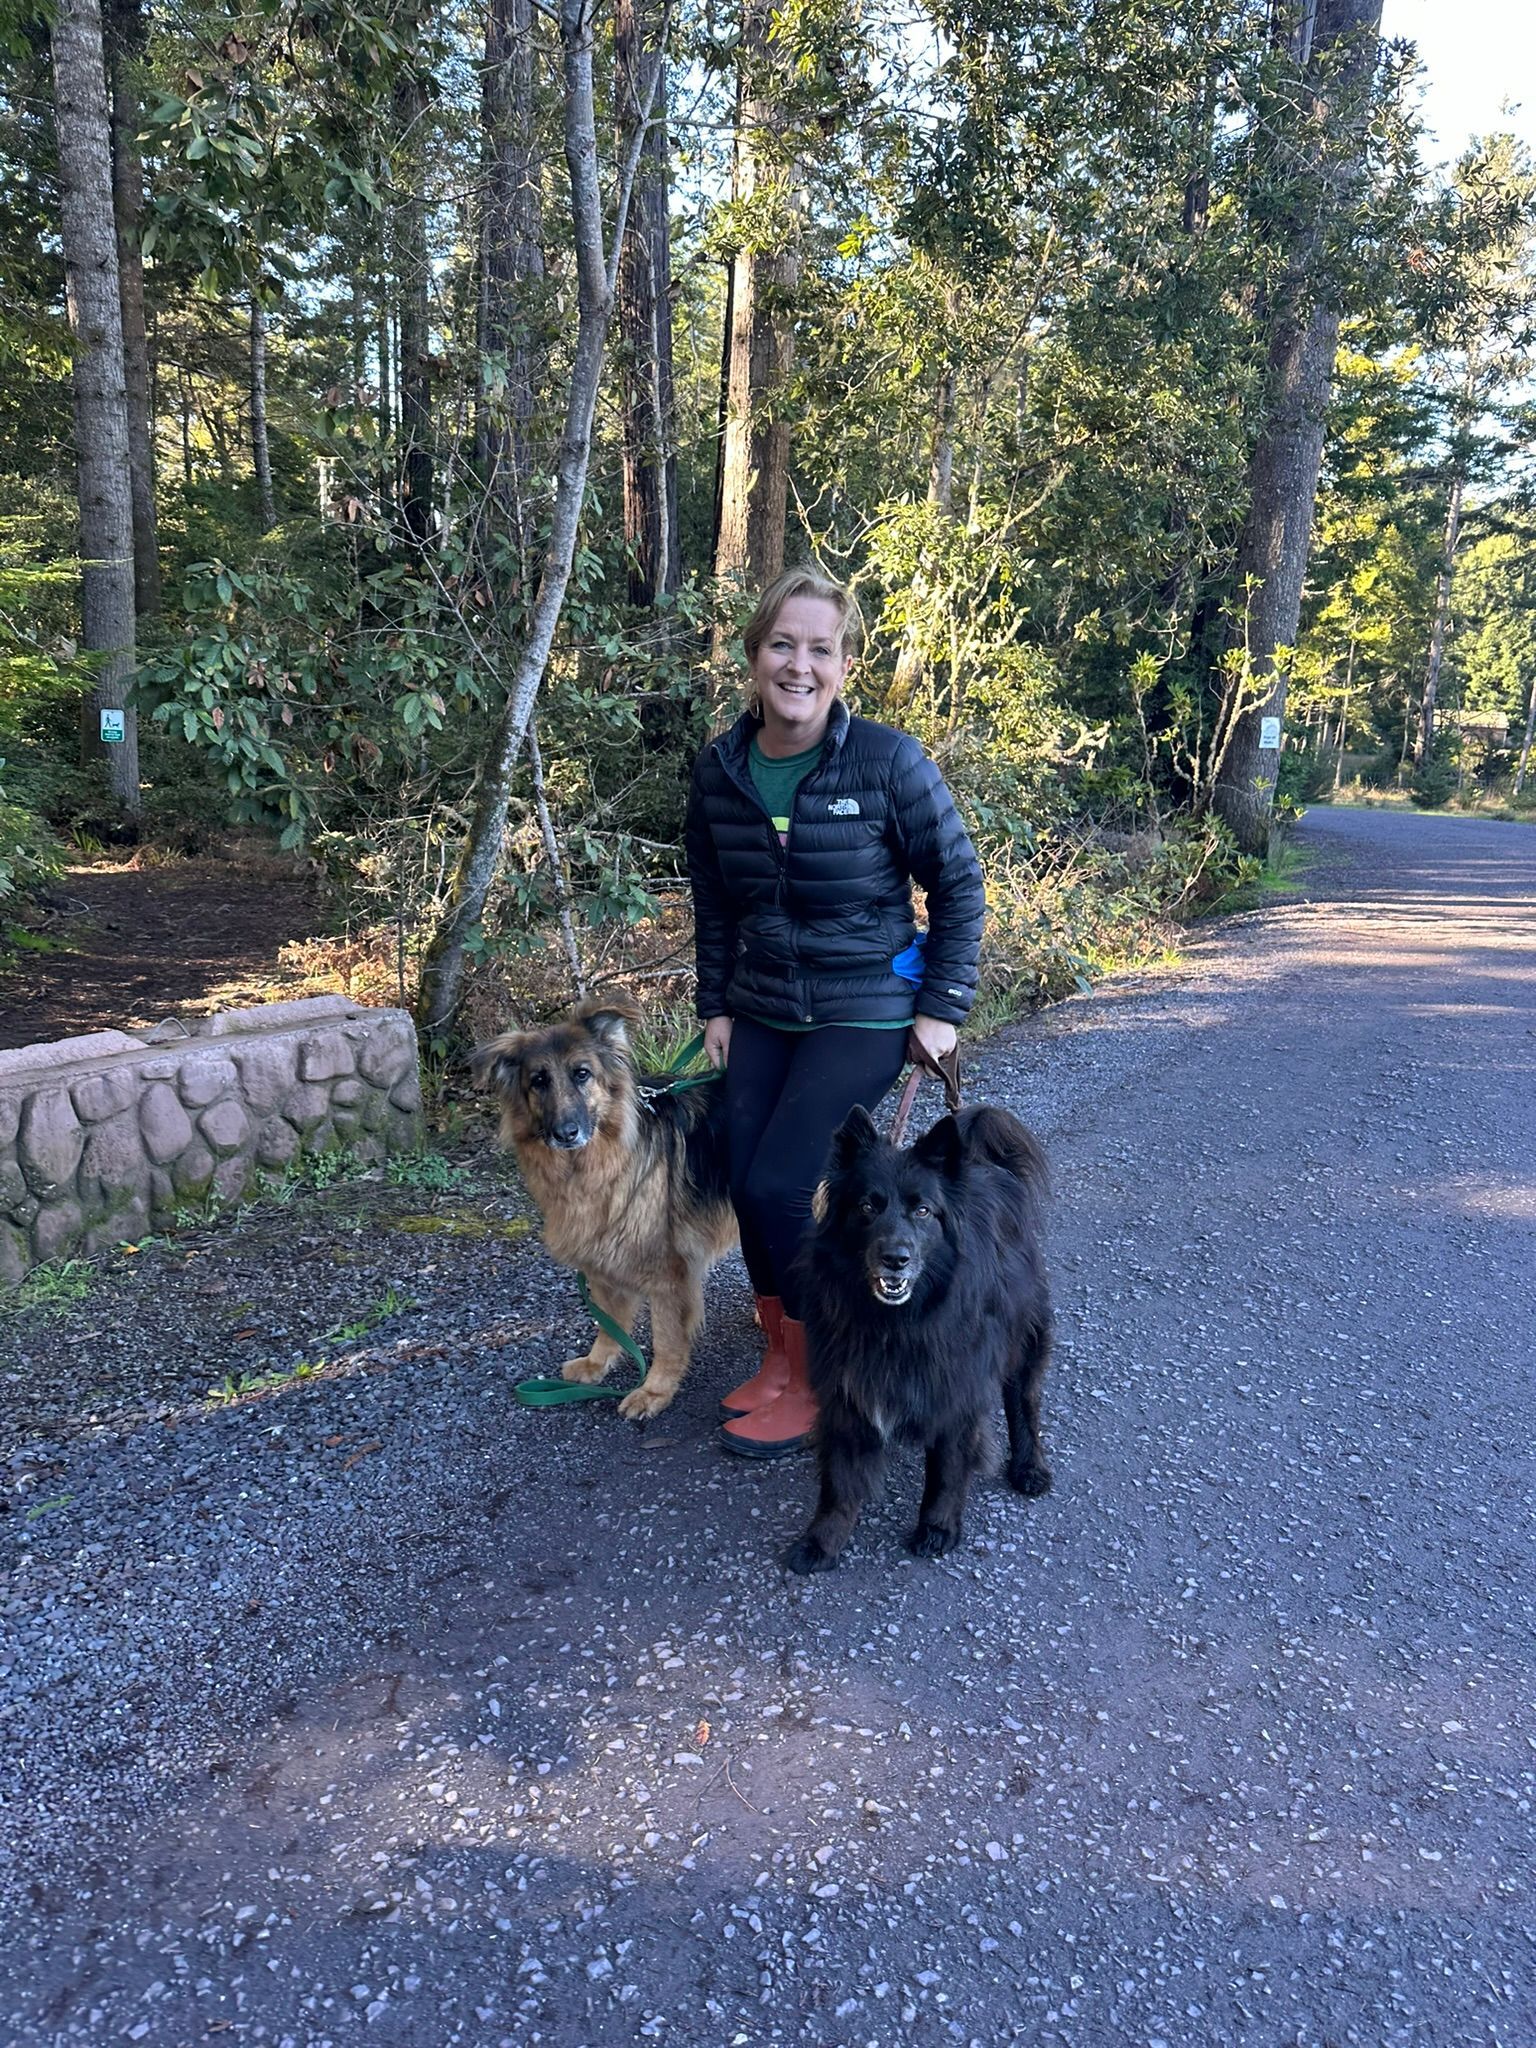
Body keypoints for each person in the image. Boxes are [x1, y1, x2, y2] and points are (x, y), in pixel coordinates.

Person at [685, 565, 986, 1457]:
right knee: (744, 1181)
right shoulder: (722, 769)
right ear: (753, 658)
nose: (799, 666)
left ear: (845, 665)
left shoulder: (889, 761)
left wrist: (942, 1008)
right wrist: (716, 1005)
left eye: (820, 648)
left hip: (866, 1006)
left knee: (783, 1183)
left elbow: (959, 884)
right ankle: (783, 1355)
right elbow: (714, 900)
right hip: (765, 1005)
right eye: (783, 644)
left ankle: (824, 1371)